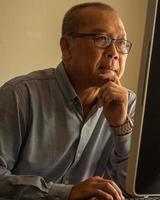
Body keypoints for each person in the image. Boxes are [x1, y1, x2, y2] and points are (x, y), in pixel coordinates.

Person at [0, 2, 135, 200]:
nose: (114, 52)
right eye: (101, 39)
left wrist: (121, 126)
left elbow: (134, 188)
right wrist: (66, 193)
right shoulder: (20, 95)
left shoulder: (126, 103)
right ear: (67, 47)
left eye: (121, 43)